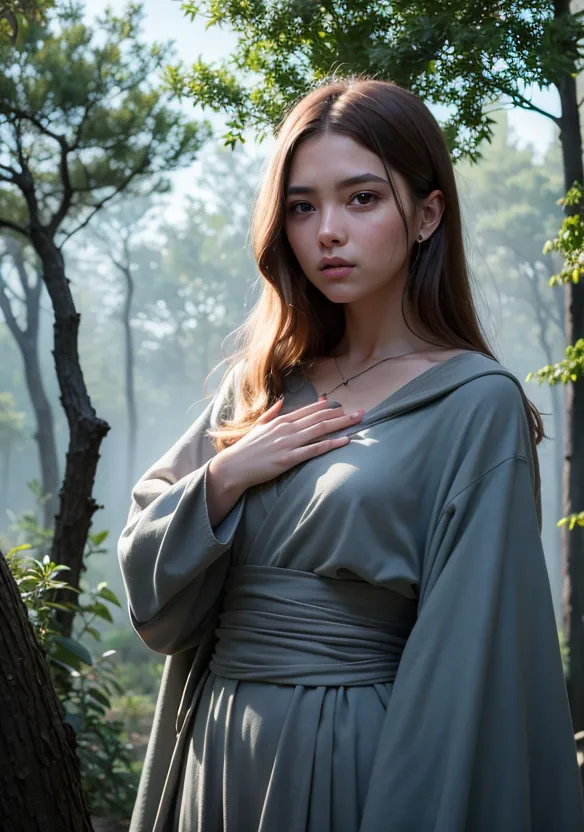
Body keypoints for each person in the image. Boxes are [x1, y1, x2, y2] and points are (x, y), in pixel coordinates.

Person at [118, 76, 584, 832]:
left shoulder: (475, 403)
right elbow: (150, 579)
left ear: (428, 213)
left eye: (361, 198)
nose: (326, 230)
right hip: (212, 746)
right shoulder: (265, 382)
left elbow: (471, 653)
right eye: (302, 206)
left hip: (352, 762)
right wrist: (226, 476)